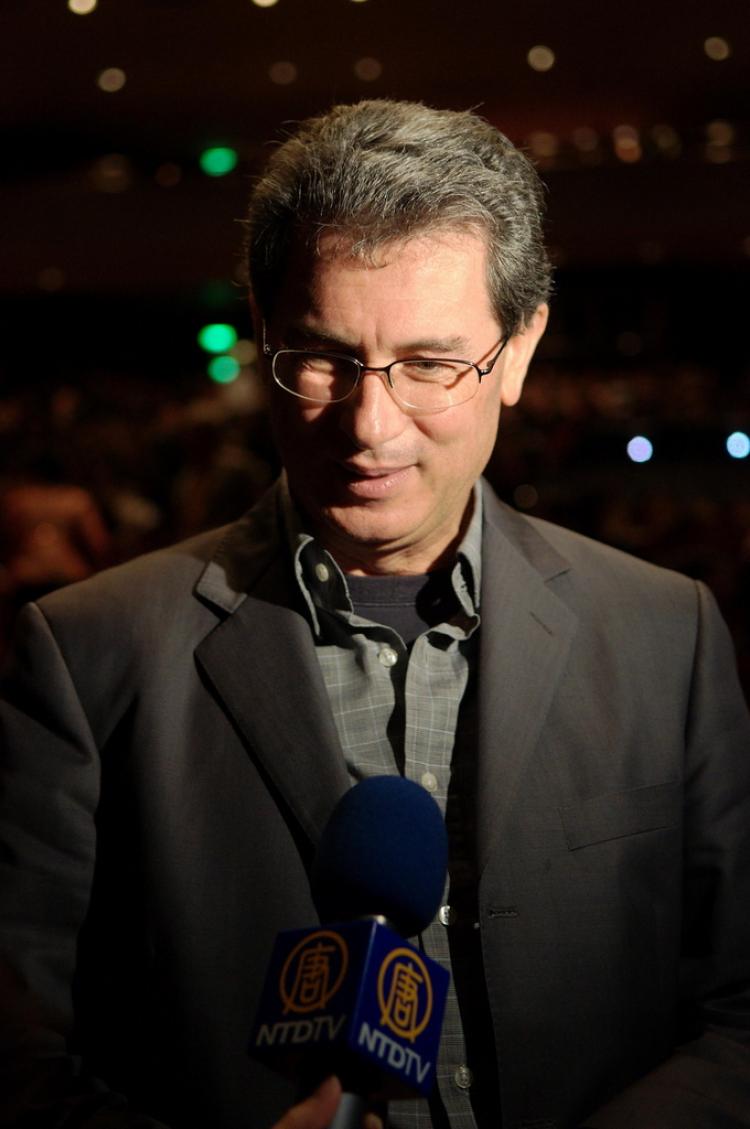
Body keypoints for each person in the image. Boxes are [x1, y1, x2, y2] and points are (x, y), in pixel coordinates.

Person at [1, 99, 749, 1129]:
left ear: (520, 349)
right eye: (322, 358)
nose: (370, 424)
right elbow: (17, 1049)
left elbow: (740, 1014)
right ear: (263, 332)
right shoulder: (89, 654)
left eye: (431, 365)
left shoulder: (668, 634)